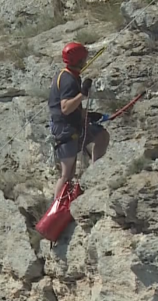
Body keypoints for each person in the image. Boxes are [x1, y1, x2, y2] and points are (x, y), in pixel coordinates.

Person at [47, 42, 110, 200]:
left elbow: (72, 107)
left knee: (101, 135)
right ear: (79, 60)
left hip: (73, 126)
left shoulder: (66, 75)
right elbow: (66, 108)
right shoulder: (68, 80)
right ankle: (56, 209)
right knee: (67, 174)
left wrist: (89, 115)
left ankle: (95, 174)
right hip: (65, 130)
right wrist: (82, 95)